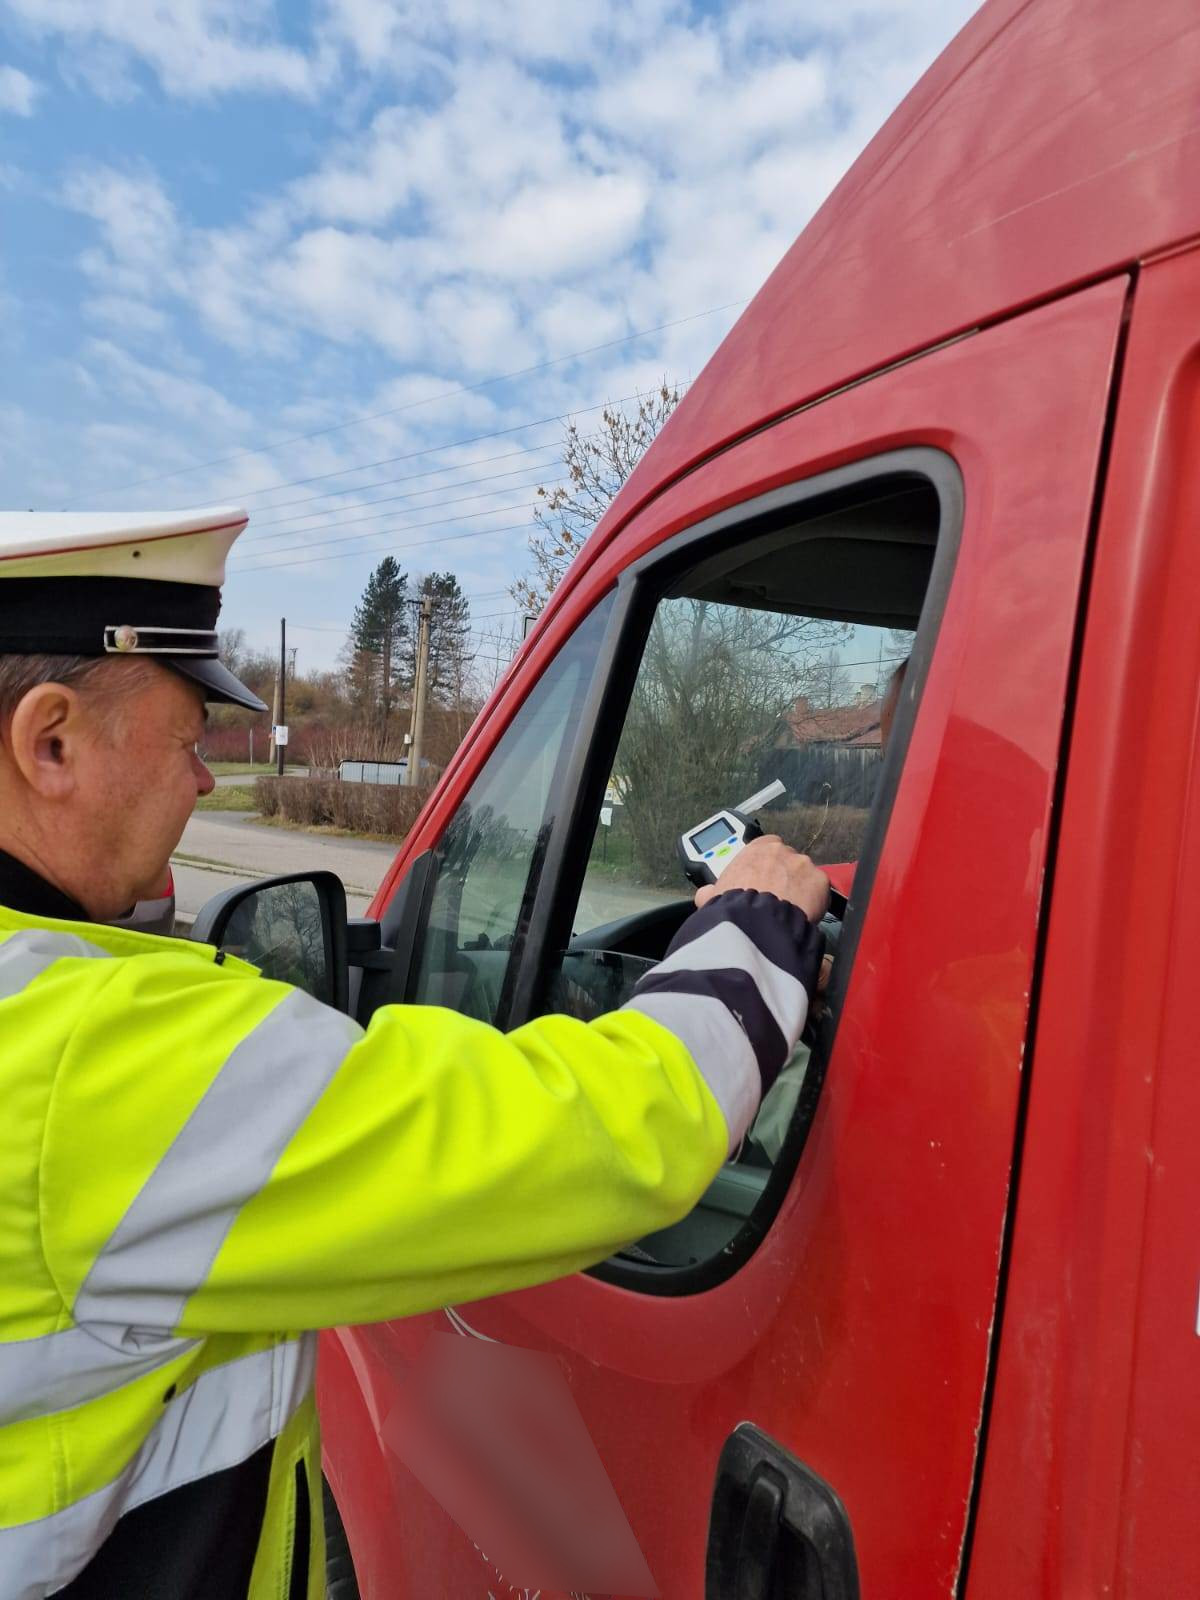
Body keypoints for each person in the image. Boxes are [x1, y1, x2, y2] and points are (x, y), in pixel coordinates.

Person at [0, 508, 829, 1600]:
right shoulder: (89, 1055)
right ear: (51, 743)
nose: (202, 782)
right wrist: (758, 931)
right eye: (189, 741)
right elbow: (590, 1133)